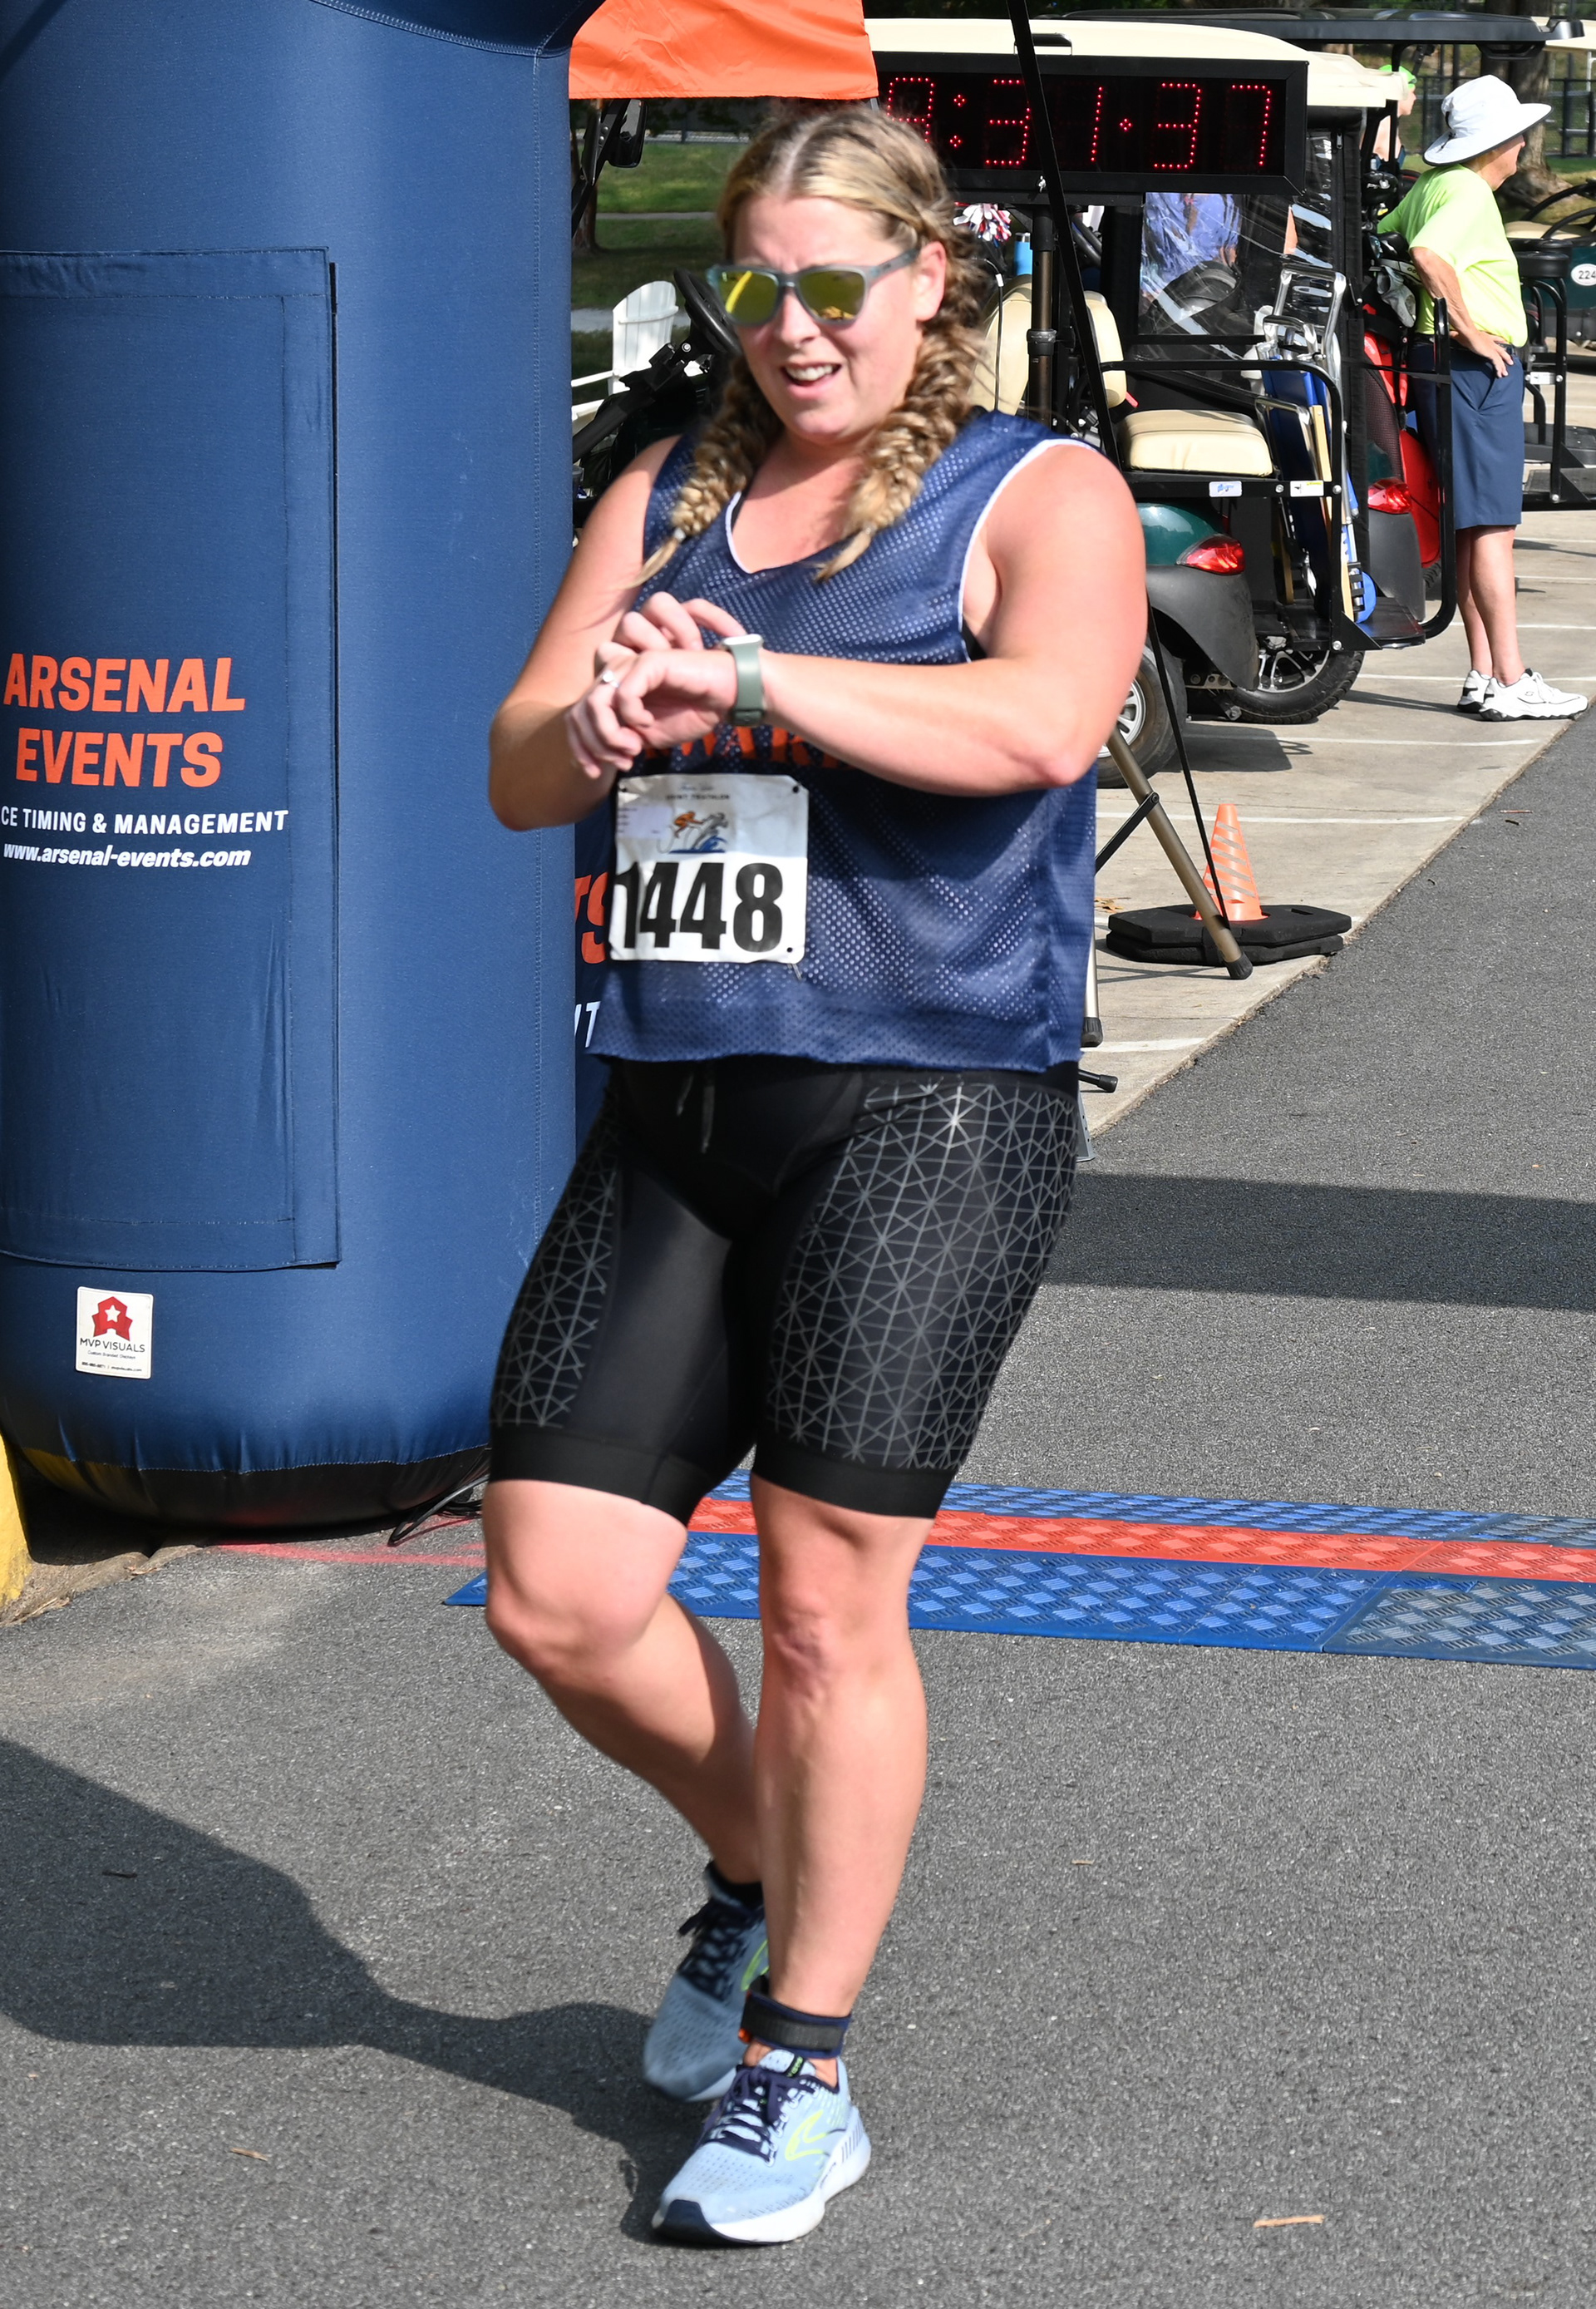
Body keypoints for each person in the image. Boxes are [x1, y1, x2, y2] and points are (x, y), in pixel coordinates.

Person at [483, 105, 1144, 2247]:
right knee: (558, 1591)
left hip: (927, 1100)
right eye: (755, 285)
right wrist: (597, 728)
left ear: (929, 279)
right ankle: (767, 1864)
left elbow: (1040, 724)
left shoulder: (1033, 490)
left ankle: (804, 2064)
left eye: (836, 283)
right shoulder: (666, 489)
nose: (794, 327)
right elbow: (511, 763)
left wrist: (758, 674)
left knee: (825, 1593)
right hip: (679, 1093)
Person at [1383, 75, 1588, 723]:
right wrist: (1471, 330)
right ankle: (1511, 677)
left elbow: (1390, 235)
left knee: (1473, 526)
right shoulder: (1469, 191)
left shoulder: (1434, 184)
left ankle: (1484, 673)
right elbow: (1426, 253)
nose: (1524, 144)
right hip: (1472, 367)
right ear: (1499, 142)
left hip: (1444, 365)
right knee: (1495, 527)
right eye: (1518, 134)